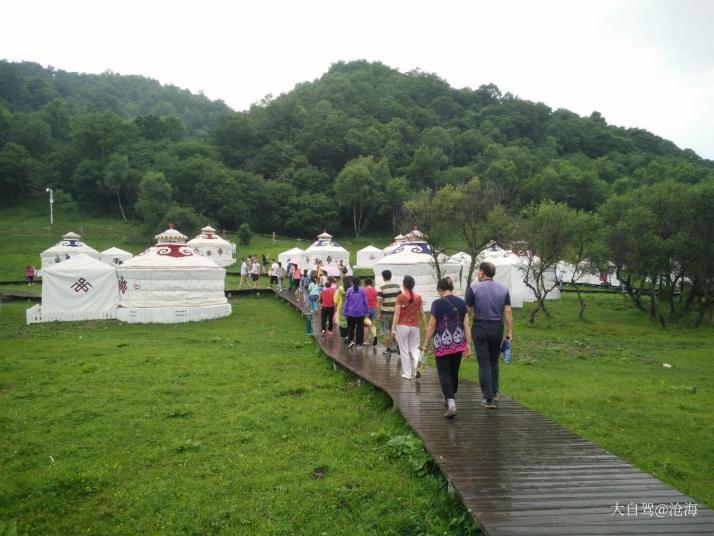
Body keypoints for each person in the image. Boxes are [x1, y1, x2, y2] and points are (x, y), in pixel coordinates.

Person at [465, 261, 513, 410]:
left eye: (479, 272)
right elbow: (508, 312)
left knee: (484, 362)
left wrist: (465, 328)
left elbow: (467, 311)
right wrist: (509, 331)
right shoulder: (504, 290)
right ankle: (495, 391)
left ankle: (488, 398)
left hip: (480, 327)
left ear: (482, 273)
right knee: (493, 360)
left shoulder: (473, 288)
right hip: (497, 327)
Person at [422, 278, 471, 418]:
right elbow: (467, 325)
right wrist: (468, 344)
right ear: (452, 288)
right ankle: (451, 396)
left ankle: (451, 403)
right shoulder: (462, 303)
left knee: (444, 373)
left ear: (440, 289)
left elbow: (431, 326)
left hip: (442, 346)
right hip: (458, 343)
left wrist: (425, 344)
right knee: (453, 372)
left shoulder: (437, 304)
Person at [392, 275, 425, 380]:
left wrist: (393, 328)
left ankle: (407, 374)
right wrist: (426, 325)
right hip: (415, 326)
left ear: (404, 284)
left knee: (404, 350)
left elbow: (397, 314)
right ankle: (419, 369)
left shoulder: (400, 297)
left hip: (402, 325)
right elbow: (422, 313)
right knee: (415, 349)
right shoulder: (418, 297)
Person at [377, 270, 401, 355]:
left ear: (383, 277)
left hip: (385, 313)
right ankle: (398, 345)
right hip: (396, 313)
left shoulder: (381, 287)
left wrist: (379, 313)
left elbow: (379, 302)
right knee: (394, 330)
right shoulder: (397, 287)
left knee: (386, 331)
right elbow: (400, 299)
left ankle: (388, 349)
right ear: (391, 276)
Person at [343, 276, 369, 350]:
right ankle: (359, 344)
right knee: (360, 329)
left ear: (352, 282)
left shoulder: (349, 290)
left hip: (350, 314)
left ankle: (351, 341)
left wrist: (345, 313)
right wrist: (367, 311)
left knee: (351, 328)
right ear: (360, 282)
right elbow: (365, 302)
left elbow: (346, 303)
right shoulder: (362, 290)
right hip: (360, 313)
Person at [363, 278, 378, 345]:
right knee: (373, 325)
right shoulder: (375, 290)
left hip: (366, 309)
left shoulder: (364, 290)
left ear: (365, 283)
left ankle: (366, 341)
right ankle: (374, 336)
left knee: (365, 326)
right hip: (374, 309)